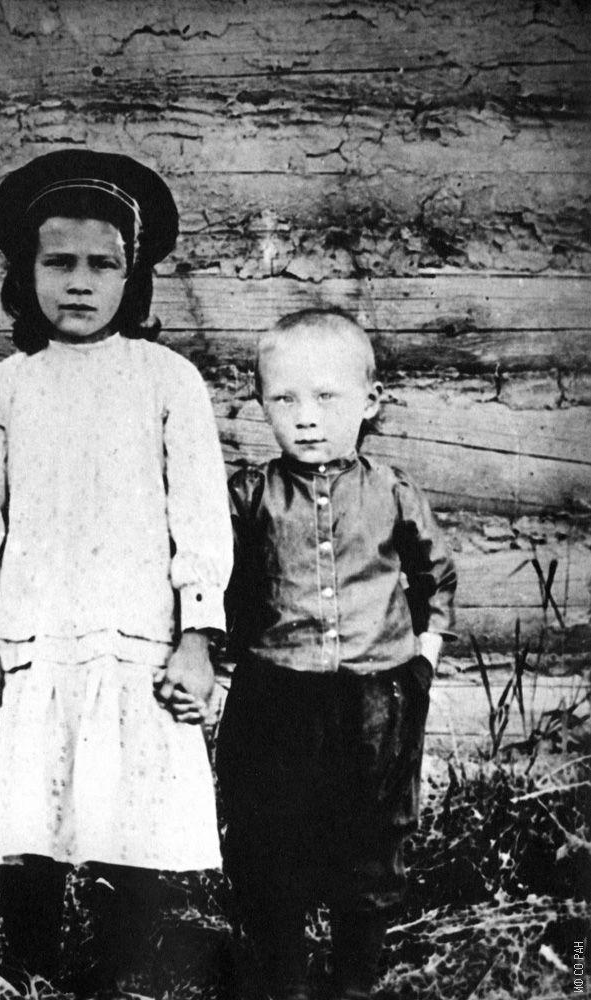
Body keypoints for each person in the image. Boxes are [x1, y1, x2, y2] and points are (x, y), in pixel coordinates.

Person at [0, 149, 233, 996]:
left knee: (127, 811)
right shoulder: (7, 387)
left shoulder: (167, 381)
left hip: (134, 638)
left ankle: (118, 972)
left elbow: (199, 513)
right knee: (30, 812)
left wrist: (197, 635)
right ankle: (31, 970)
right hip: (34, 637)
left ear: (134, 276)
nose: (81, 283)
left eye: (104, 264)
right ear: (26, 275)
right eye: (59, 262)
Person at [216, 308, 457, 1000]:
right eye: (284, 399)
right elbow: (217, 580)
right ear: (261, 404)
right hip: (278, 697)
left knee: (373, 834)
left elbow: (434, 575)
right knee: (270, 835)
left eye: (327, 397)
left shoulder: (391, 490)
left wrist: (423, 655)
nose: (306, 418)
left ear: (370, 401)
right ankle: (284, 979)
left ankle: (355, 978)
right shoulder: (250, 496)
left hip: (377, 695)